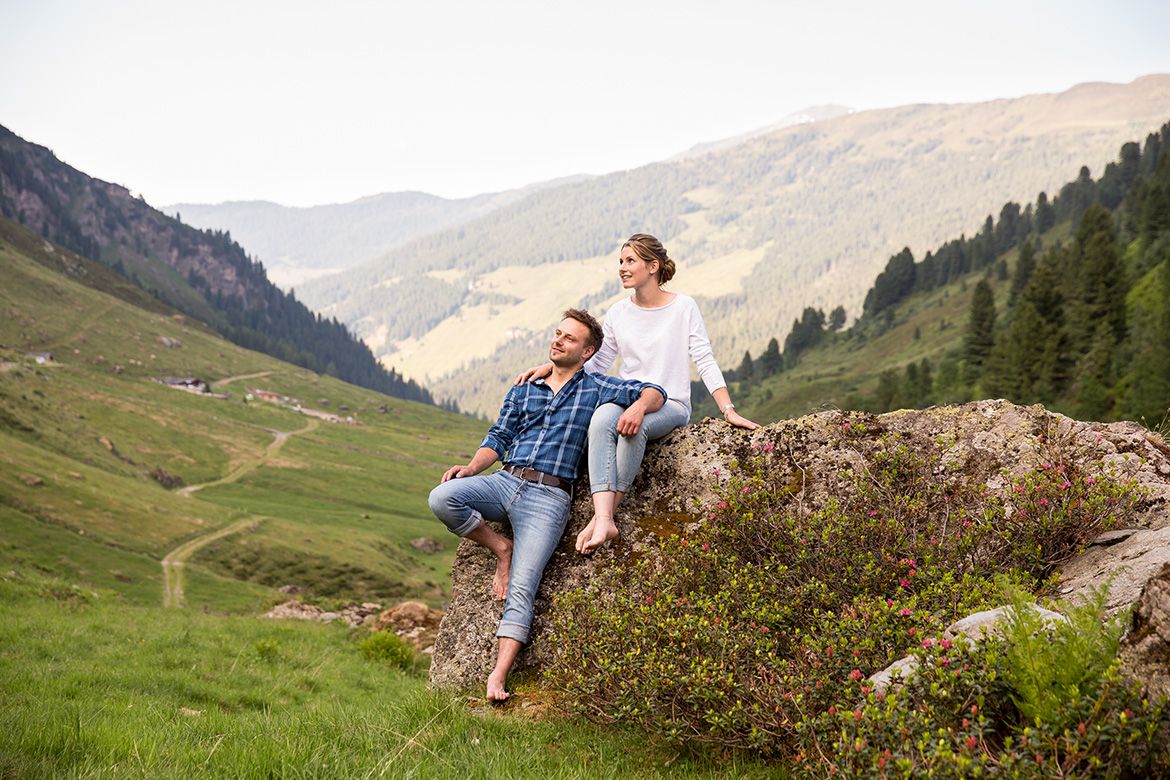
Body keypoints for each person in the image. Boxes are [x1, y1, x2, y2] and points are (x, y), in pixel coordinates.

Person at [428, 308, 667, 702]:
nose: (558, 341)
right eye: (557, 333)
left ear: (587, 351)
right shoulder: (525, 387)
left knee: (524, 588)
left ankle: (498, 677)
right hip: (505, 482)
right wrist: (472, 467)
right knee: (442, 497)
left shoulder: (597, 389)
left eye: (569, 338)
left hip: (549, 498)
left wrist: (639, 408)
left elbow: (654, 391)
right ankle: (500, 547)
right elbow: (499, 436)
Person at [517, 233, 758, 554]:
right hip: (627, 398)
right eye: (620, 261)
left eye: (630, 261)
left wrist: (727, 409)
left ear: (653, 266)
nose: (622, 268)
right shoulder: (618, 312)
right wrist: (554, 368)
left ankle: (606, 515)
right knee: (602, 418)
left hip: (670, 403)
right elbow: (596, 363)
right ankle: (603, 517)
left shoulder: (684, 307)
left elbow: (704, 359)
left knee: (635, 427)